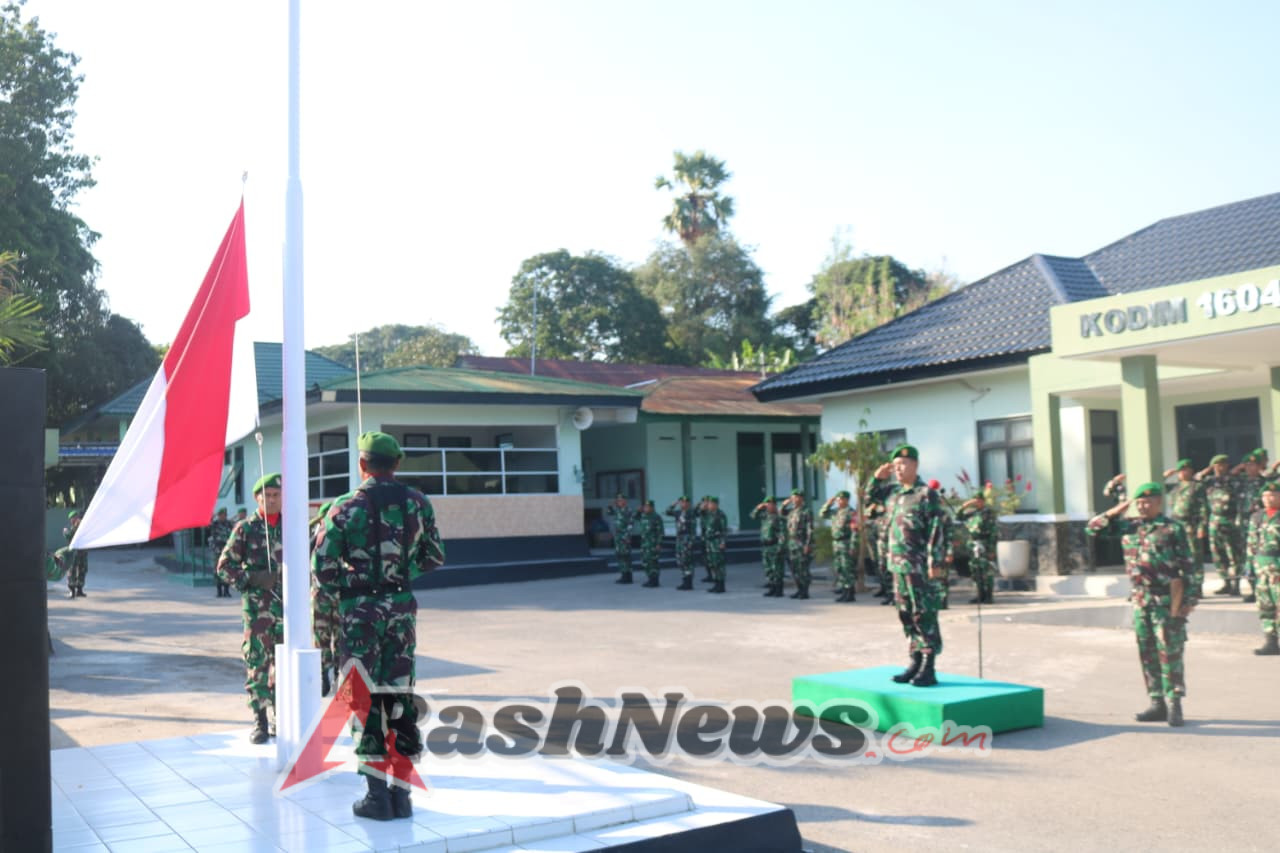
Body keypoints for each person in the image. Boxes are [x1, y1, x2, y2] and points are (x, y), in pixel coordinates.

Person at [314, 432, 445, 821]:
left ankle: (376, 797)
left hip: (360, 616)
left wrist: (356, 587)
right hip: (401, 611)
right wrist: (400, 574)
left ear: (362, 464)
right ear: (397, 464)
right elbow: (435, 556)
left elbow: (322, 569)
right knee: (400, 697)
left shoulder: (343, 508)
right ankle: (402, 795)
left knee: (364, 699)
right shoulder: (418, 503)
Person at [1086, 482, 1197, 726]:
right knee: (1147, 651)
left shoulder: (1172, 528)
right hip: (1140, 598)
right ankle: (1156, 702)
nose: (1143, 506)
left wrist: (1189, 600)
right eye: (1139, 502)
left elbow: (1189, 564)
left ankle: (1174, 703)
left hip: (1167, 598)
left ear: (1159, 502)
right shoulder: (1130, 526)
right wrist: (1117, 509)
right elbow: (1092, 529)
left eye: (1148, 501)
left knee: (1171, 651)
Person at [869, 444, 948, 686]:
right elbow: (868, 499)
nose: (898, 469)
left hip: (919, 566)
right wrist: (875, 479)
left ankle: (929, 665)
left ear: (915, 465)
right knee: (905, 613)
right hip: (896, 565)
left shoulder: (926, 495)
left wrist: (935, 561)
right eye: (895, 466)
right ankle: (914, 661)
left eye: (903, 464)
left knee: (924, 613)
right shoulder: (892, 493)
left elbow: (938, 530)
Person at [216, 473, 284, 744]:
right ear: (257, 498)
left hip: (289, 611)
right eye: (266, 495)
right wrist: (252, 579)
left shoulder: (293, 527)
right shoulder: (246, 528)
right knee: (258, 663)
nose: (271, 500)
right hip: (258, 612)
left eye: (276, 495)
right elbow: (224, 567)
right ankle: (260, 721)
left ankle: (283, 717)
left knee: (285, 665)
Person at [1198, 454, 1244, 597]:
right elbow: (1195, 480)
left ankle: (1236, 585)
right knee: (1218, 555)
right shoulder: (1209, 482)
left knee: (1233, 555)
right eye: (1217, 465)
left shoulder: (1233, 481)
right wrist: (1206, 471)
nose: (1220, 468)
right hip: (1214, 522)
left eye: (1223, 465)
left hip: (1230, 521)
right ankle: (1226, 583)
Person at [1245, 481, 1280, 655]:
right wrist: (1249, 566)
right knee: (1265, 606)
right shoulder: (1257, 517)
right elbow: (1252, 543)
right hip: (1261, 568)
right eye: (1265, 495)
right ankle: (1271, 642)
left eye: (1272, 495)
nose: (1268, 498)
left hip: (1277, 569)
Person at [1159, 461, 1206, 589]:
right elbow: (1157, 485)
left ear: (1191, 471)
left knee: (1195, 556)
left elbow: (1203, 507)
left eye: (1186, 470)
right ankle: (1184, 584)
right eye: (1180, 470)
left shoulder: (1197, 487)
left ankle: (1197, 585)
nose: (1183, 473)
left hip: (1191, 524)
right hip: (1176, 524)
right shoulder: (1175, 487)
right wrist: (1165, 475)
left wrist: (1202, 526)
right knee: (1177, 555)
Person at [309, 501, 340, 695]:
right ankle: (323, 675)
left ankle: (338, 674)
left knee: (340, 637)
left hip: (339, 594)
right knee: (320, 637)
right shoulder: (312, 536)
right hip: (319, 595)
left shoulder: (342, 535)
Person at [1234, 452, 1267, 603]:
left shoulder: (1266, 483)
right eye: (1247, 465)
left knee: (1262, 556)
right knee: (1246, 557)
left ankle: (1264, 589)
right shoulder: (1239, 482)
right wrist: (1236, 469)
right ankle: (1253, 589)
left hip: (1262, 526)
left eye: (1253, 465)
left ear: (1260, 466)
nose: (1249, 468)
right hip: (1243, 526)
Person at [958, 493, 997, 604]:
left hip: (984, 543)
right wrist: (965, 505)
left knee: (987, 570)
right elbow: (958, 516)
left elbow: (993, 532)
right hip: (972, 543)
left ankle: (988, 595)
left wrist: (991, 549)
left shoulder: (988, 513)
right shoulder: (972, 513)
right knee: (975, 570)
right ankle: (980, 594)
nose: (976, 502)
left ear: (982, 501)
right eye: (975, 500)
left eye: (978, 500)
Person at [821, 491, 857, 602]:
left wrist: (853, 546)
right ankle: (844, 590)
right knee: (839, 568)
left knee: (847, 569)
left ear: (846, 500)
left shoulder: (851, 513)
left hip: (846, 543)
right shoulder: (835, 512)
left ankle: (850, 593)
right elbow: (822, 514)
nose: (838, 501)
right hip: (836, 543)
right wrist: (828, 504)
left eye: (841, 499)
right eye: (837, 499)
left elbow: (855, 531)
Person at [781, 489, 814, 600]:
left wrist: (807, 544)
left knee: (803, 568)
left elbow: (810, 529)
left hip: (801, 543)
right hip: (791, 543)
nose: (794, 499)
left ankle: (805, 591)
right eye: (793, 497)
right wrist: (784, 505)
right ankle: (799, 589)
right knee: (794, 568)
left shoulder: (806, 511)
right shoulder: (791, 511)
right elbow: (782, 514)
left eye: (797, 497)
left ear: (802, 498)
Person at [751, 496, 786, 597]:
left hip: (775, 545)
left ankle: (779, 590)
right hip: (766, 546)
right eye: (767, 505)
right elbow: (753, 516)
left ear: (774, 505)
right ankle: (772, 588)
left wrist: (780, 547)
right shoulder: (765, 516)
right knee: (768, 569)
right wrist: (758, 507)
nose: (768, 507)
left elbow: (782, 534)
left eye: (770, 504)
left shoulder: (778, 517)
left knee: (777, 569)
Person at [665, 496, 697, 591]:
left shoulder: (691, 513)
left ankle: (688, 582)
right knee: (681, 561)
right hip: (679, 539)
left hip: (687, 539)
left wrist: (691, 542)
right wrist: (674, 504)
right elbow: (667, 511)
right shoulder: (678, 513)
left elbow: (693, 530)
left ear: (688, 504)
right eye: (681, 502)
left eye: (685, 502)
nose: (683, 504)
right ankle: (684, 581)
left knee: (687, 561)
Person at [605, 493, 635, 585]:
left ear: (625, 501)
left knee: (625, 556)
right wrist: (611, 505)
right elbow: (608, 512)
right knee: (620, 555)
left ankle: (627, 576)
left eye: (621, 500)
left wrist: (627, 536)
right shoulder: (617, 510)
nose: (619, 502)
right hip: (618, 536)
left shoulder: (628, 510)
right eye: (618, 500)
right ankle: (624, 575)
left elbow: (630, 524)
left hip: (624, 537)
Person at [702, 496, 728, 593]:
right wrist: (703, 506)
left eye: (710, 503)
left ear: (716, 504)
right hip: (709, 542)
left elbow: (724, 530)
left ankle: (721, 585)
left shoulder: (720, 515)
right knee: (712, 564)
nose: (709, 505)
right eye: (708, 504)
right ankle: (716, 584)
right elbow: (698, 512)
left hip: (717, 542)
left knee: (719, 564)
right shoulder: (708, 514)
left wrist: (722, 542)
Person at [208, 507, 235, 598]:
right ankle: (219, 591)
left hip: (227, 551)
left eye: (223, 515)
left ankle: (226, 591)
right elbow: (207, 525)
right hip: (217, 551)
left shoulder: (229, 524)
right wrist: (212, 517)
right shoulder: (215, 524)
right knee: (217, 571)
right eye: (220, 515)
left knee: (227, 570)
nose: (222, 517)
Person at [62, 510, 89, 599]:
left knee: (79, 570)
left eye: (75, 517)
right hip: (77, 552)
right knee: (76, 570)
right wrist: (67, 533)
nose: (75, 520)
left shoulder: (80, 526)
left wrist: (66, 533)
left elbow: (74, 536)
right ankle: (74, 591)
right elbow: (72, 537)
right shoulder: (76, 527)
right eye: (73, 518)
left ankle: (77, 590)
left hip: (80, 552)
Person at [638, 499, 665, 587]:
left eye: (648, 507)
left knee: (653, 562)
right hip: (644, 543)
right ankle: (650, 578)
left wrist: (659, 543)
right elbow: (634, 517)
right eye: (645, 507)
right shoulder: (643, 516)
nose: (646, 508)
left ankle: (654, 580)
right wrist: (638, 511)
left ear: (652, 508)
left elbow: (660, 532)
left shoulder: (656, 517)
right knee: (645, 562)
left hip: (653, 544)